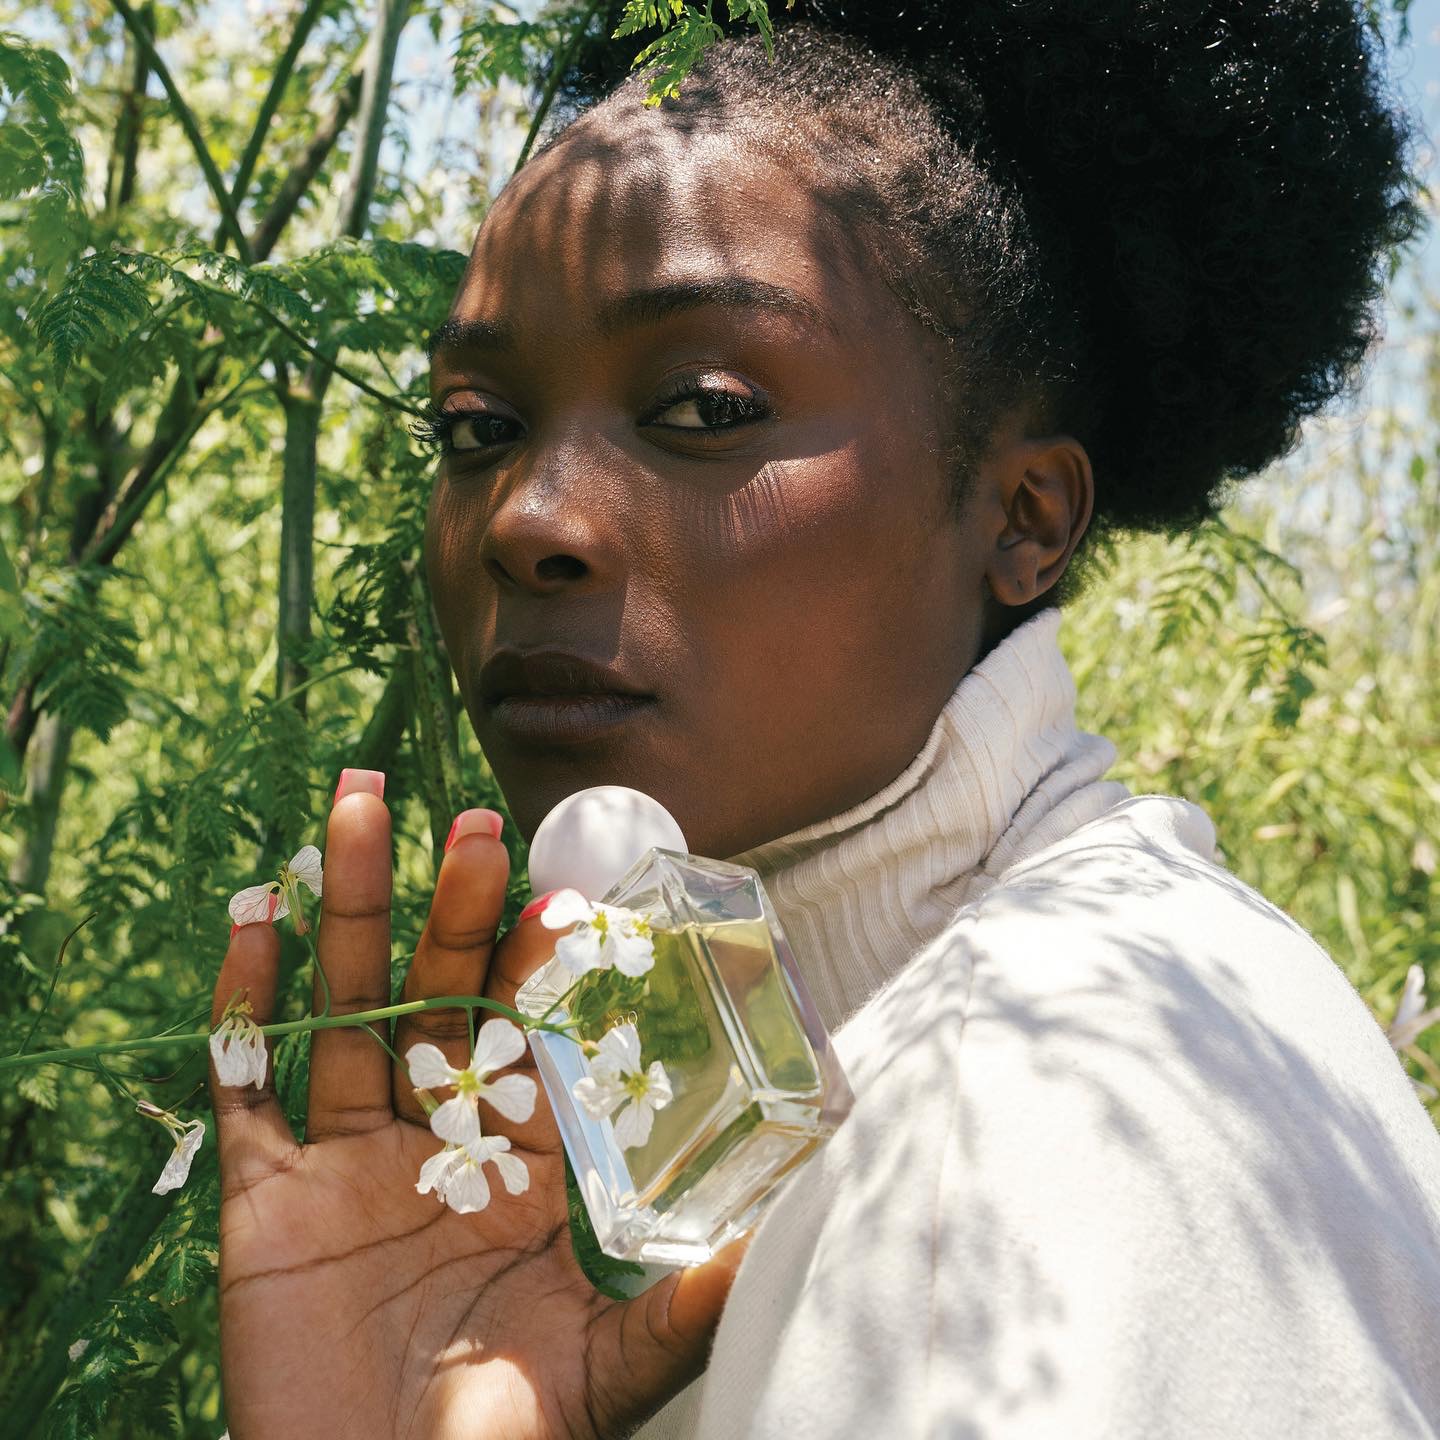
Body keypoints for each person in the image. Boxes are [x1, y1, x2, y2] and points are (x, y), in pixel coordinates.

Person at [208, 3, 1440, 1436]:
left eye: (704, 407)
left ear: (1025, 517)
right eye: (478, 428)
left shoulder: (1039, 1107)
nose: (528, 520)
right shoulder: (792, 1084)